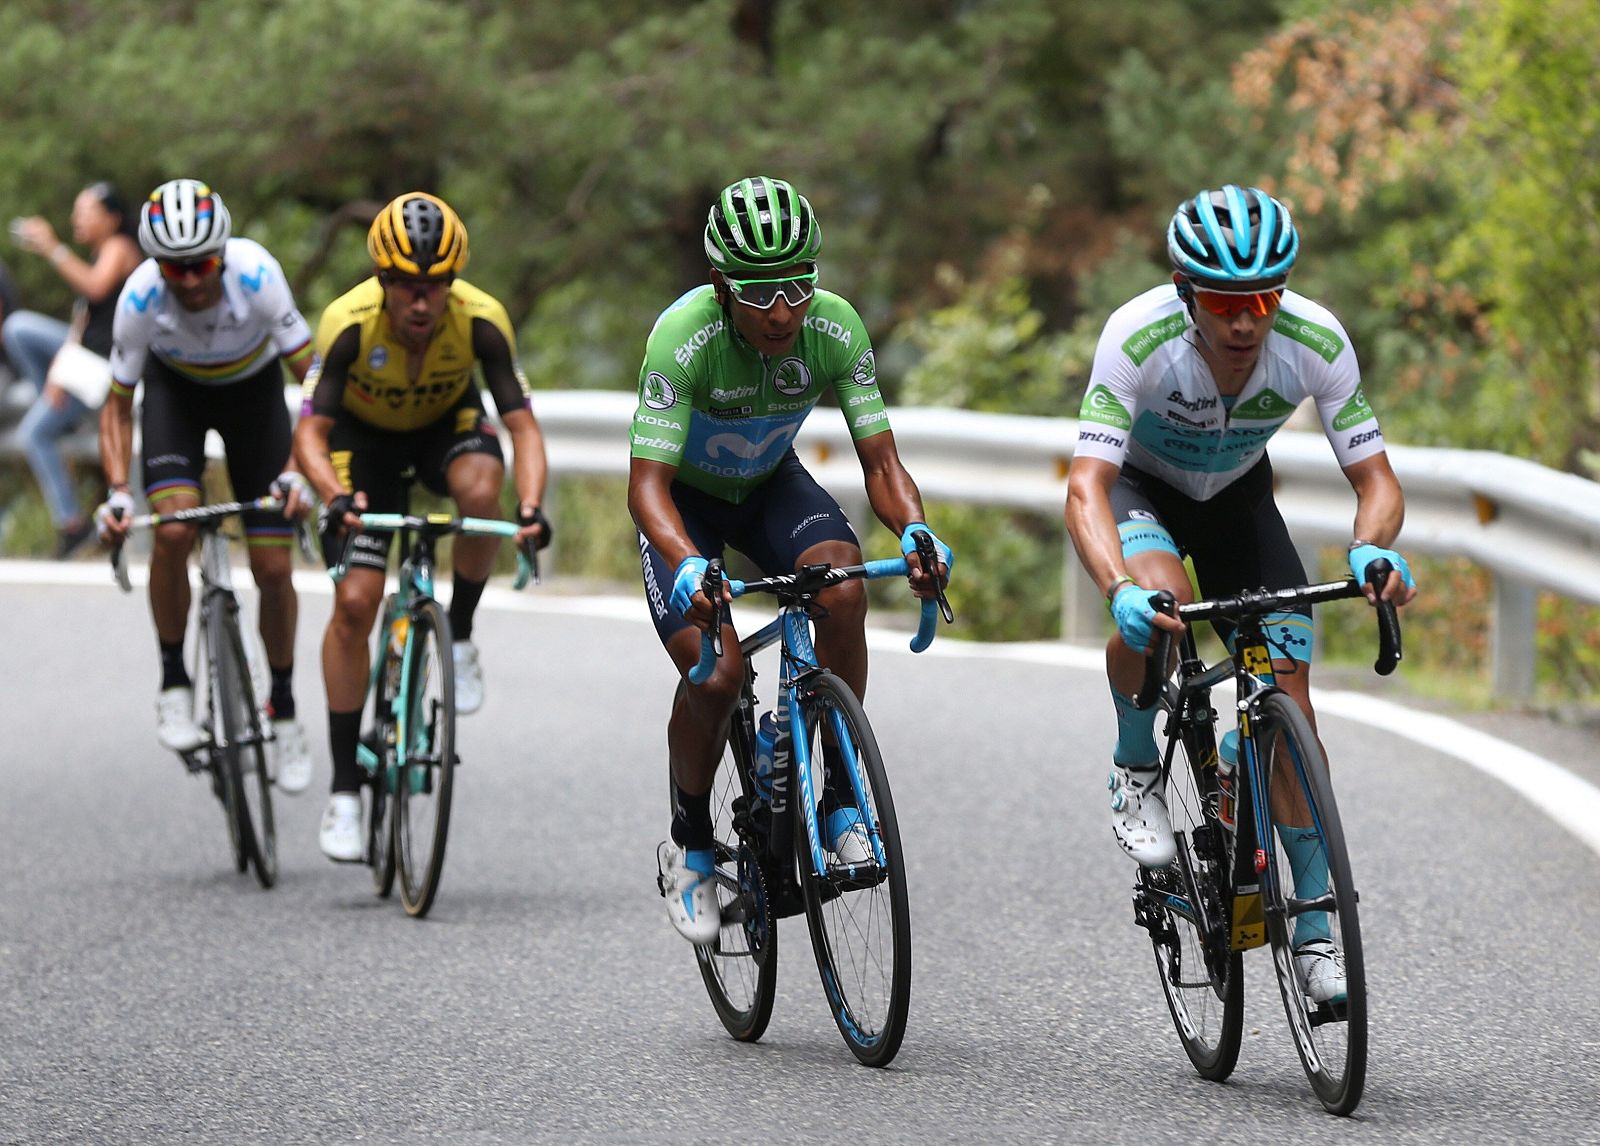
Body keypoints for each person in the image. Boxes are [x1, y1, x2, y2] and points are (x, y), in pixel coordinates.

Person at [1064, 184, 1417, 1003]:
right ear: (1188, 295)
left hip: (1237, 501)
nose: (1245, 320)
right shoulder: (1138, 336)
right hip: (1142, 492)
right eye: (1224, 301)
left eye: (1263, 298)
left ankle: (1318, 931)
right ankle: (1135, 760)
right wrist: (1115, 584)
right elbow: (1086, 486)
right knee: (1160, 605)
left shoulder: (1316, 340)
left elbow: (1377, 478)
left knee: (1291, 702)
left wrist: (1370, 548)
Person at [629, 175, 951, 946]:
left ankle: (838, 791)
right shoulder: (683, 342)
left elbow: (881, 462)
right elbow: (647, 489)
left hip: (769, 484)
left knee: (842, 583)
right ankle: (692, 844)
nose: (781, 312)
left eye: (797, 288)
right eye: (759, 292)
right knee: (717, 674)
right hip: (687, 511)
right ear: (720, 285)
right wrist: (683, 566)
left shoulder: (833, 328)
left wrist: (915, 530)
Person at [293, 191, 551, 862]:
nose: (421, 302)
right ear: (382, 279)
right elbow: (311, 434)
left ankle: (459, 635)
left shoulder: (482, 320)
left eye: (436, 286)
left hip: (445, 428)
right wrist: (333, 495)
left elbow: (522, 427)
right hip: (362, 444)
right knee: (355, 604)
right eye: (407, 286)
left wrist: (530, 508)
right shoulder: (346, 324)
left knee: (480, 489)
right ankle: (346, 787)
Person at [95, 178, 317, 795]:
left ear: (223, 252)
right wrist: (117, 490)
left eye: (202, 264)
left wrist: (301, 469)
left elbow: (316, 381)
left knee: (274, 571)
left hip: (255, 399)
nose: (190, 280)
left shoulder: (257, 276)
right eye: (175, 268)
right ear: (156, 264)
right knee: (172, 530)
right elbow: (116, 406)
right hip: (177, 398)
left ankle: (285, 706)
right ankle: (174, 682)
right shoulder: (139, 297)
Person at [4, 182, 142, 556]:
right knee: (18, 329)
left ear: (112, 218)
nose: (75, 219)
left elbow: (96, 288)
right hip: (81, 365)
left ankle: (72, 524)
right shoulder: (100, 253)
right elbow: (80, 328)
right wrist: (55, 375)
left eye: (85, 212)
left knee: (33, 435)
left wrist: (51, 247)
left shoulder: (120, 248)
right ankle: (61, 414)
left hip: (105, 372)